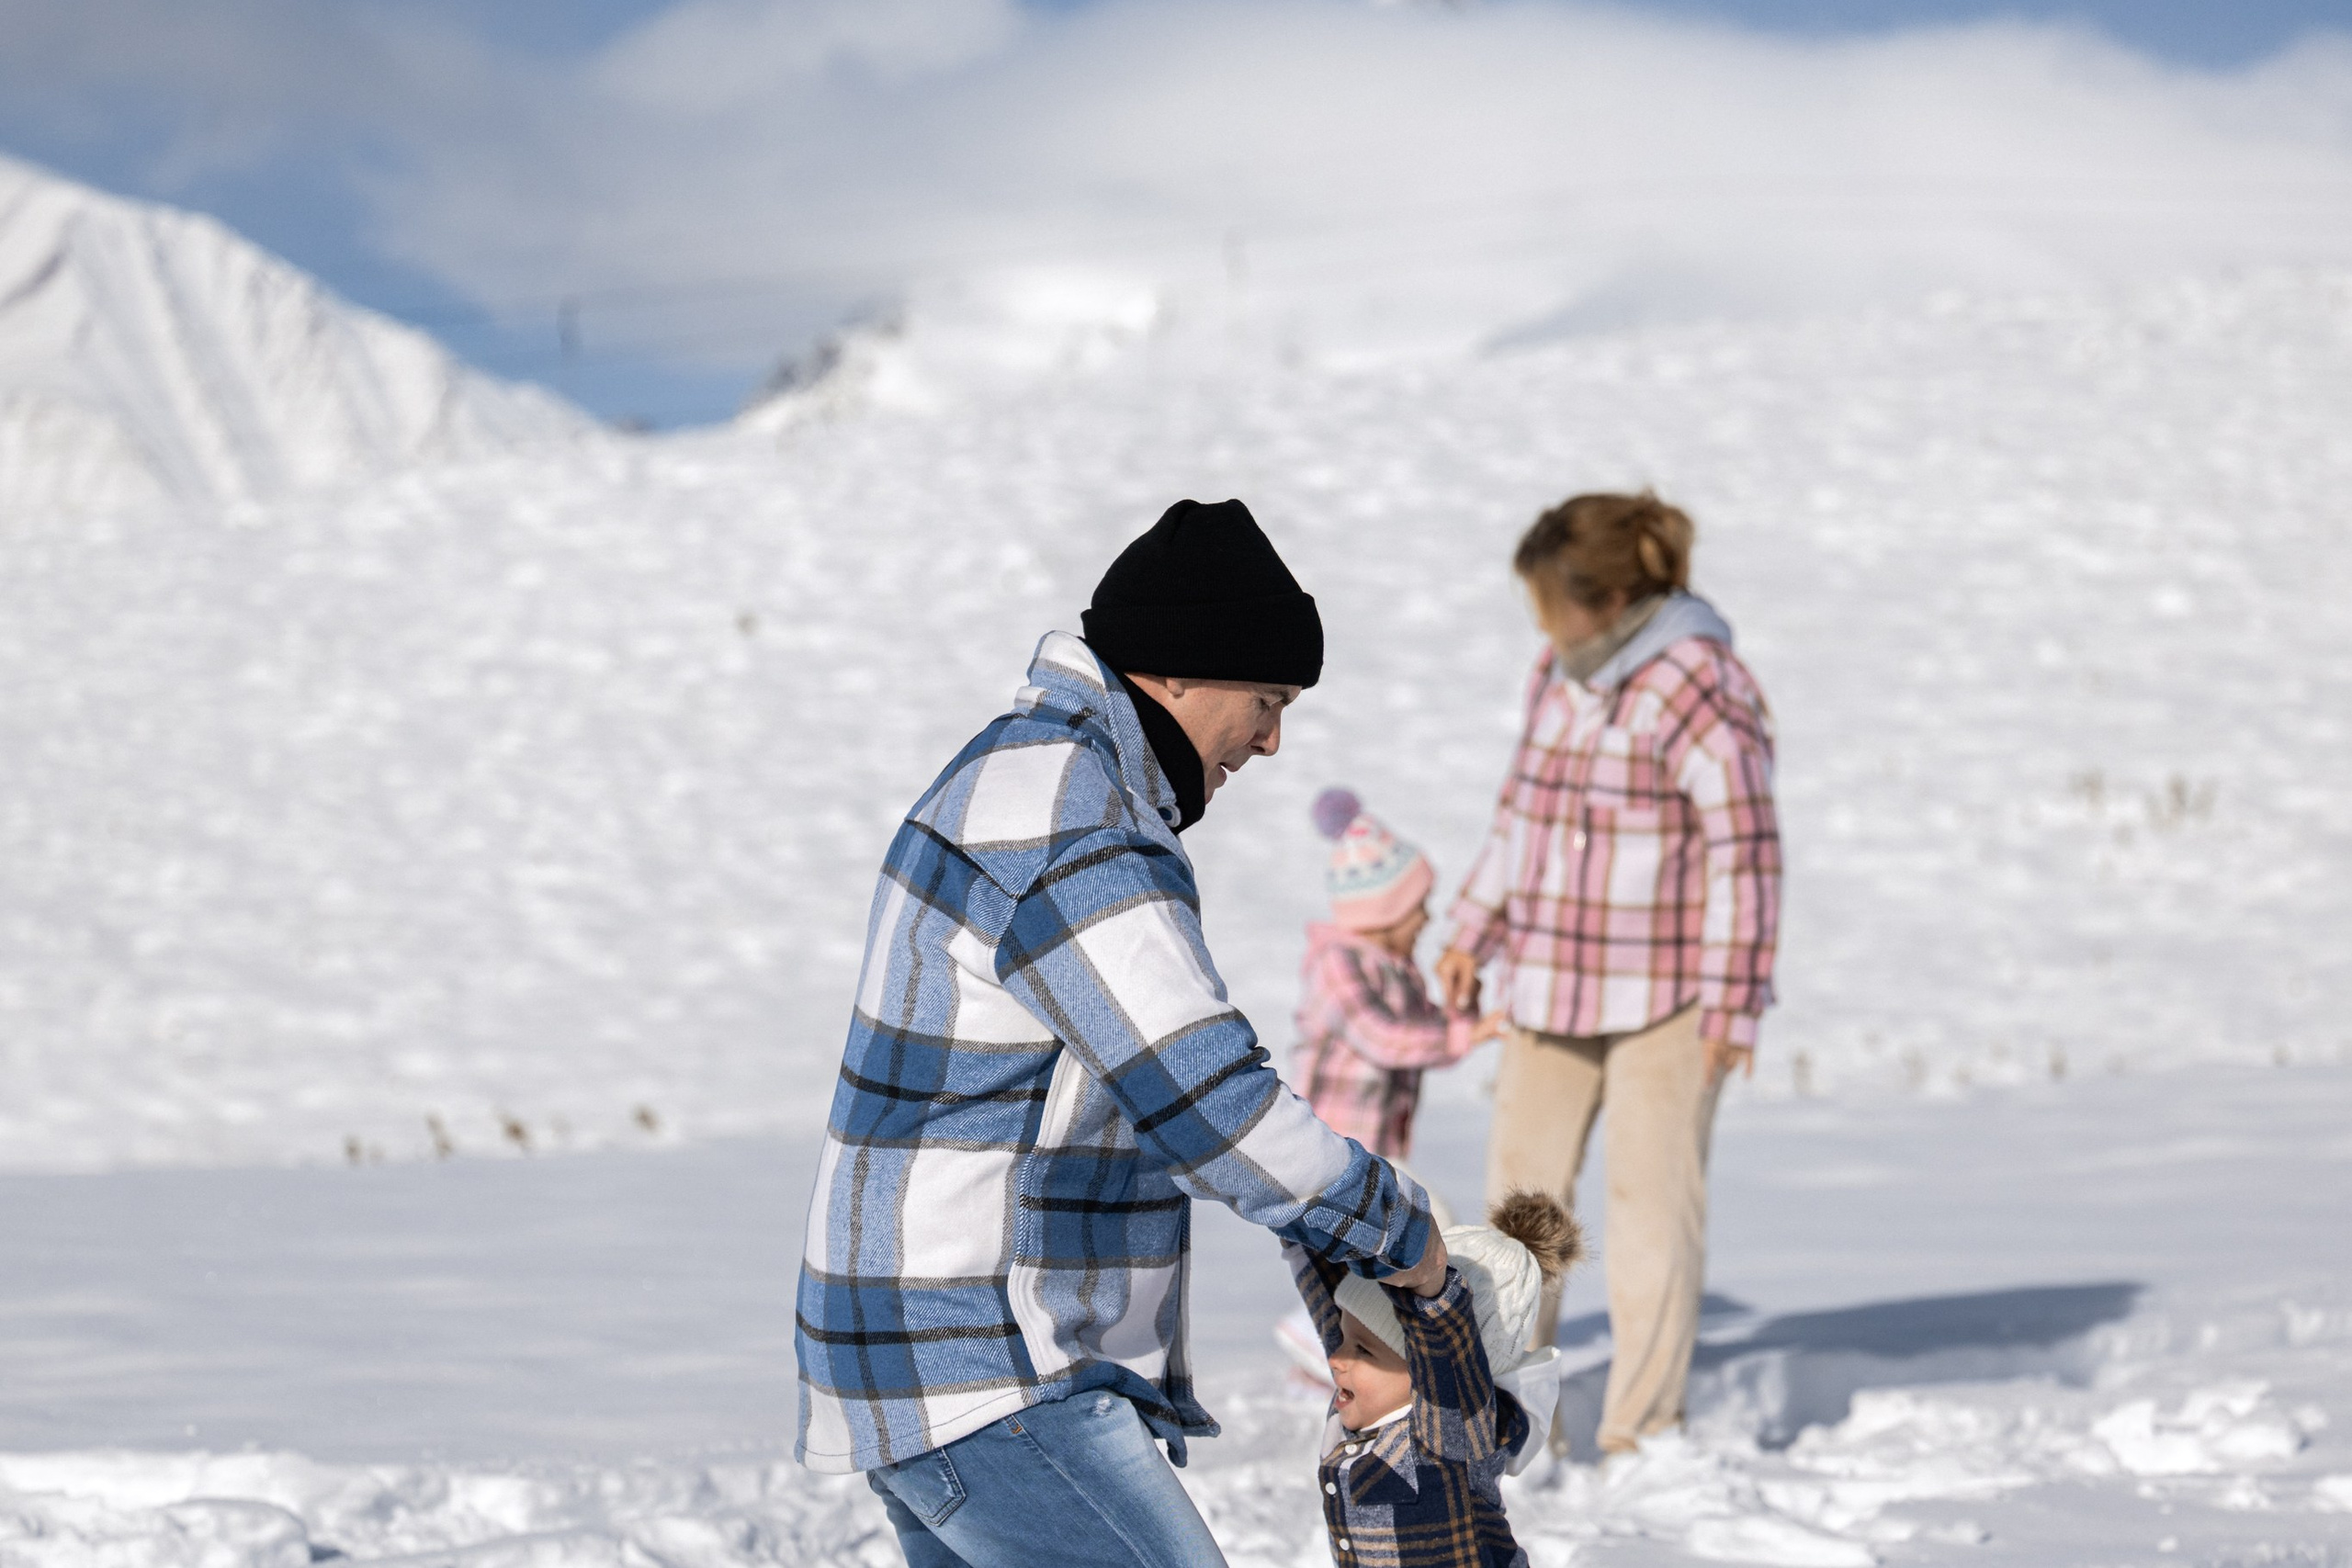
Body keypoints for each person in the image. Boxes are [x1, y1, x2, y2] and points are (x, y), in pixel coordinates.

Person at [796, 499, 1449, 1568]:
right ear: (1184, 669)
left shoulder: (1023, 772)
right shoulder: (1076, 819)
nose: (1273, 741)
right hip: (989, 1365)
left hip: (929, 1355)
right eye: (1268, 698)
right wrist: (1404, 1236)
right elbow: (1209, 1105)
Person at [1435, 491, 1781, 1459]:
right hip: (1551, 983)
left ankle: (1640, 1429)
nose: (1540, 627)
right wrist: (1473, 930)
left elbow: (1745, 852)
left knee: (1648, 1209)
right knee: (1520, 1212)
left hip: (1669, 1002)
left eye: (1553, 604)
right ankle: (1507, 1422)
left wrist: (1734, 1006)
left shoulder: (1699, 684)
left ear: (1614, 595)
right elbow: (1522, 816)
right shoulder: (1562, 671)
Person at [1284, 1191, 1581, 1568]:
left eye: (1363, 1351)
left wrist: (1431, 1289)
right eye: (1344, 1340)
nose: (1337, 1358)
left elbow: (1445, 1349)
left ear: (1427, 1371)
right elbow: (1324, 1280)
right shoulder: (1374, 1387)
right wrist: (1286, 1205)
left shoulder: (1448, 1440)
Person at [1294, 787, 1495, 1163]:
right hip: (1328, 1155)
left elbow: (1426, 1042)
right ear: (1385, 911)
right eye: (1419, 906)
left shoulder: (1397, 970)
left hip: (1379, 1152)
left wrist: (1462, 1007)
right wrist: (1463, 1035)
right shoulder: (1336, 963)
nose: (1426, 919)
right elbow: (1382, 1038)